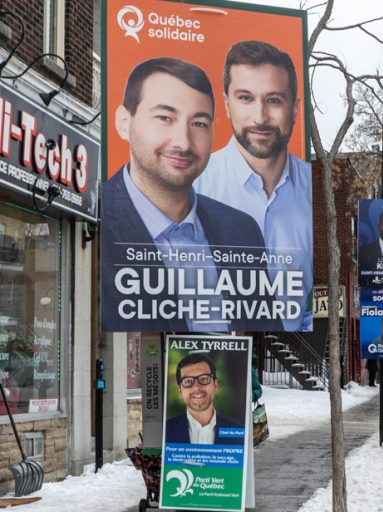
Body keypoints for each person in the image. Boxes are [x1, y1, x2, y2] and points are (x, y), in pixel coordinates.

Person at [102, 57, 281, 333]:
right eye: (164, 118)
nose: (183, 142)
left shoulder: (242, 230)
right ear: (124, 122)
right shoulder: (94, 215)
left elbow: (262, 331)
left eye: (199, 124)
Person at [194, 40, 312, 331]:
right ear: (226, 103)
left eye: (273, 100)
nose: (260, 118)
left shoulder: (313, 190)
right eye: (245, 98)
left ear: (294, 108)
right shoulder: (194, 185)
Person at [165, 353, 244, 445]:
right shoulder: (164, 431)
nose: (196, 387)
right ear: (180, 391)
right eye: (188, 381)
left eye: (204, 379)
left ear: (216, 385)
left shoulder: (238, 432)